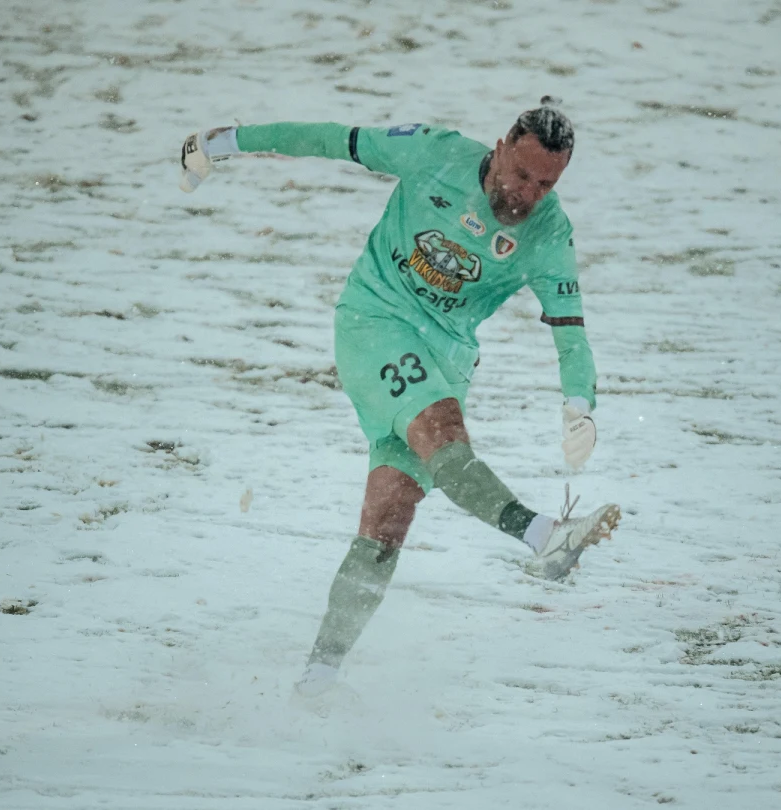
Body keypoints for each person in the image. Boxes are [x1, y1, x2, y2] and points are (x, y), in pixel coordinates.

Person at [179, 97, 621, 697]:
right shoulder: (432, 153)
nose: (528, 195)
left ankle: (317, 680)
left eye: (546, 184)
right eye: (521, 175)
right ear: (499, 148)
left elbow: (571, 332)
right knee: (443, 433)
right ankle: (544, 535)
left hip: (447, 359)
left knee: (386, 529)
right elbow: (332, 138)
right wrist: (225, 141)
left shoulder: (549, 231)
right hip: (375, 322)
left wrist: (579, 405)